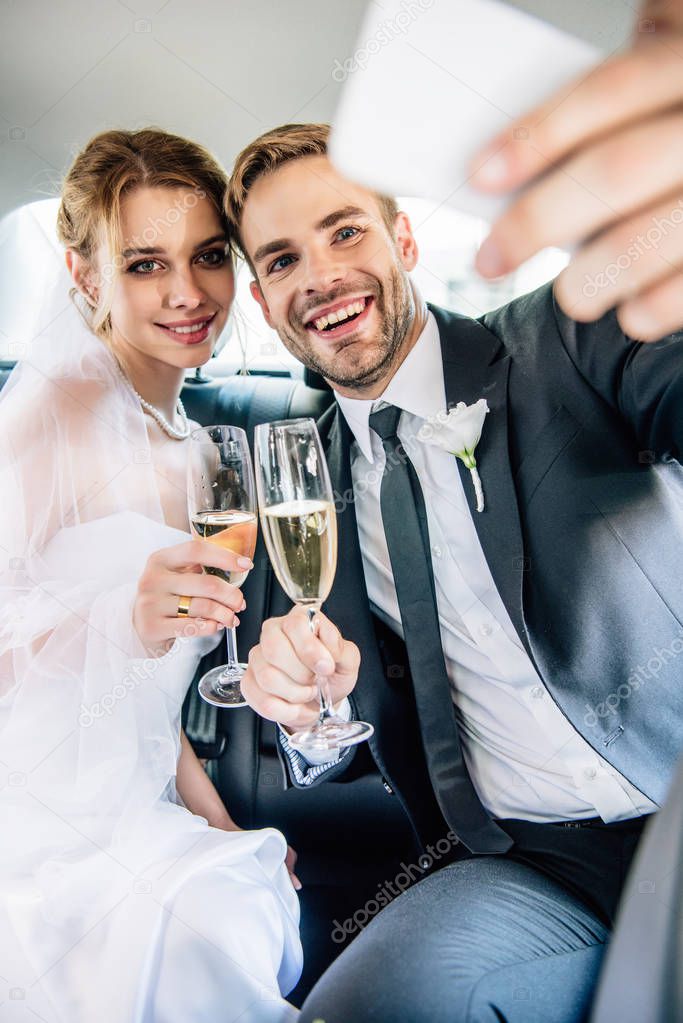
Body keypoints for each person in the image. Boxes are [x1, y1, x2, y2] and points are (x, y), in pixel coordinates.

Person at [227, 4, 683, 1016]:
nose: (321, 276)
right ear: (261, 300)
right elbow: (326, 724)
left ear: (398, 236)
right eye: (281, 258)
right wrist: (298, 711)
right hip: (527, 867)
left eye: (343, 230)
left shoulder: (568, 331)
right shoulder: (296, 481)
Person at [0, 128, 301, 1023]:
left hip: (133, 807)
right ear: (84, 276)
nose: (187, 293)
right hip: (36, 817)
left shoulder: (201, 447)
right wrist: (112, 615)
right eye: (143, 264)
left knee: (231, 899)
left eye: (209, 255)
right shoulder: (53, 415)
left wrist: (219, 825)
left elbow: (145, 704)